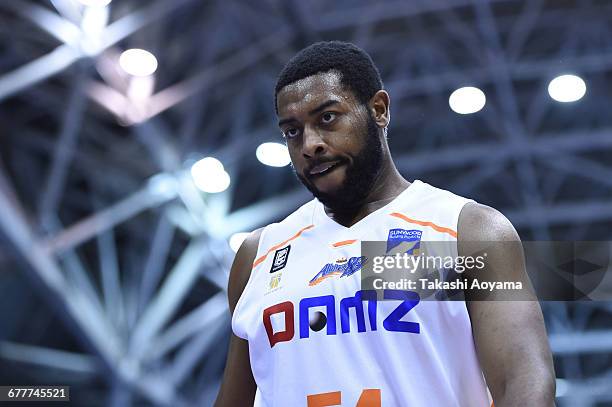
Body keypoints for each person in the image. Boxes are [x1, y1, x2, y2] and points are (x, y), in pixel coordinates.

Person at [215, 41, 555, 406]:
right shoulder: (259, 255)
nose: (310, 144)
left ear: (378, 109)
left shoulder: (469, 231)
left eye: (327, 118)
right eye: (292, 131)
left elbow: (525, 381)